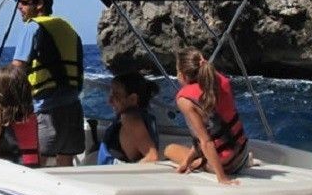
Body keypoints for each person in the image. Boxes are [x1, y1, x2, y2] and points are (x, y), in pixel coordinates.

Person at [11, 0, 84, 167]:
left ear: (39, 4)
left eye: (24, 2)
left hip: (46, 109)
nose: (19, 6)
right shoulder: (69, 29)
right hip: (73, 107)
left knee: (37, 165)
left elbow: (16, 69)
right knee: (66, 163)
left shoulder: (32, 28)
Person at [164, 48, 249, 185]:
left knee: (170, 149)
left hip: (227, 165)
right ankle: (247, 160)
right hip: (242, 153)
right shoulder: (222, 82)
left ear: (182, 75)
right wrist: (187, 161)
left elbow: (206, 141)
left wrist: (222, 178)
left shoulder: (185, 100)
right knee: (190, 156)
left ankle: (203, 164)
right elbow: (213, 130)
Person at [97, 73, 160, 164]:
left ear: (132, 99)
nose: (109, 101)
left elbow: (152, 157)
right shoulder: (143, 117)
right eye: (111, 95)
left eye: (116, 95)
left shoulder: (130, 120)